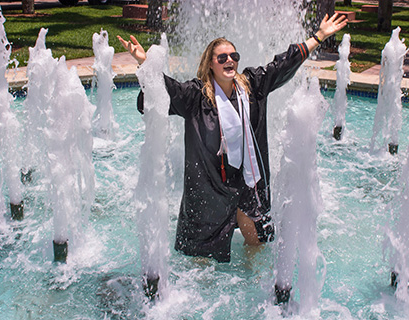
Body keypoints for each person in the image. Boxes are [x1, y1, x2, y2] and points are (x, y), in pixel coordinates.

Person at [118, 13, 347, 263]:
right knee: (202, 263)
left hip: (248, 183)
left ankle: (250, 288)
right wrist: (146, 65)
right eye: (223, 57)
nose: (230, 61)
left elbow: (283, 64)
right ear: (210, 64)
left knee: (257, 246)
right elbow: (163, 91)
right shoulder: (195, 97)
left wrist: (319, 36)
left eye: (234, 56)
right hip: (210, 188)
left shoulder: (252, 86)